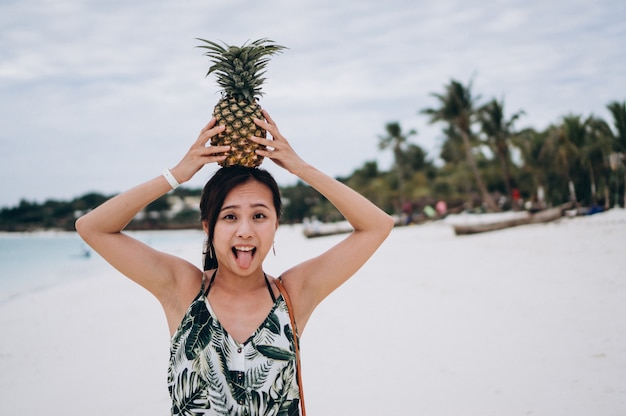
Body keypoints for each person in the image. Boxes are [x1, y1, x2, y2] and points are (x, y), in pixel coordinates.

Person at [75, 110, 394, 415]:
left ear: (275, 224)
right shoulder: (184, 289)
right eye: (229, 217)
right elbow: (92, 227)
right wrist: (177, 175)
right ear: (207, 227)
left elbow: (377, 225)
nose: (245, 231)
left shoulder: (293, 295)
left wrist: (299, 168)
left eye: (259, 215)